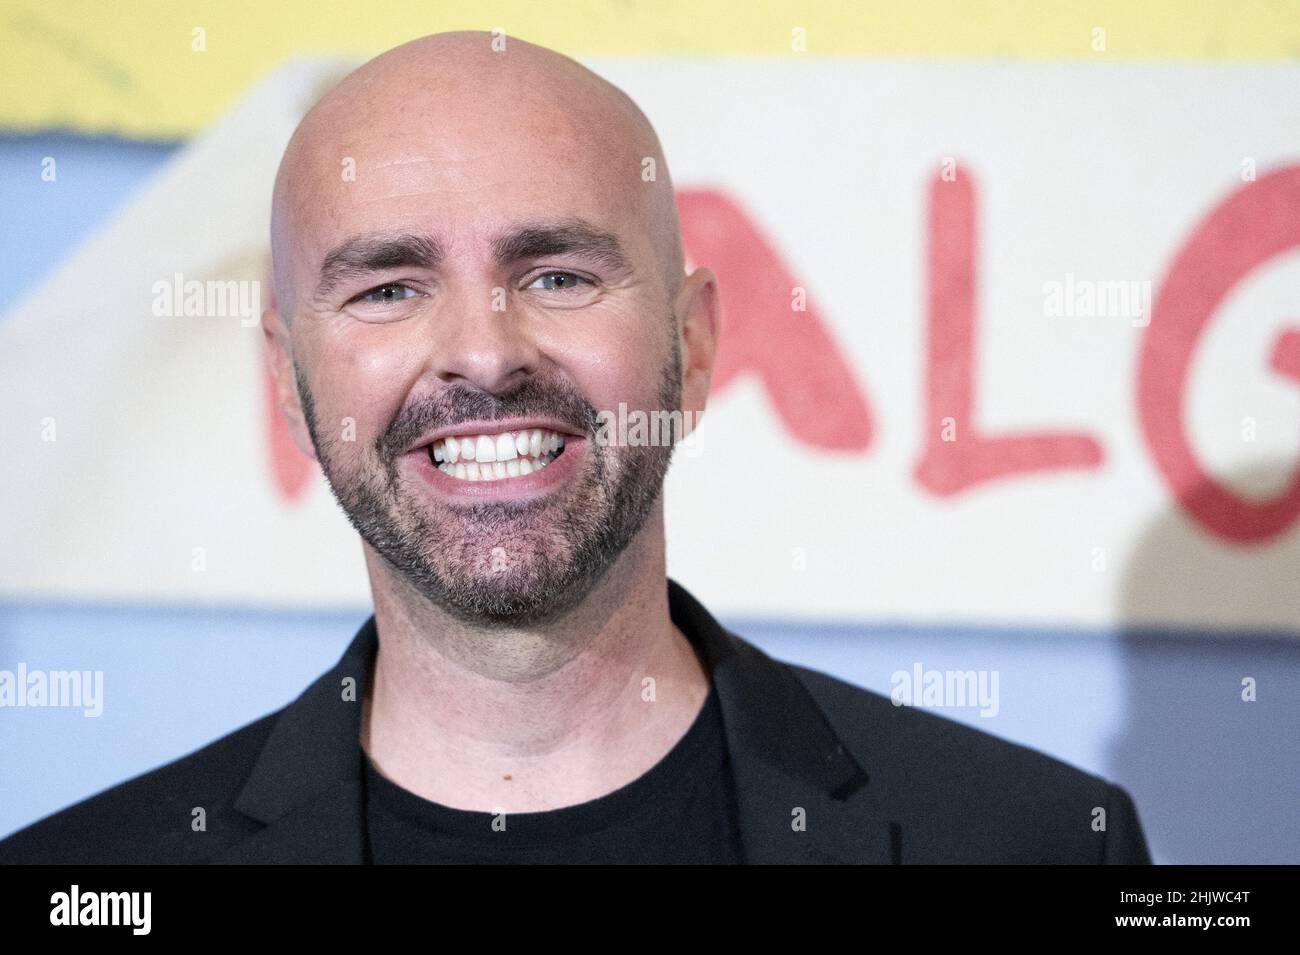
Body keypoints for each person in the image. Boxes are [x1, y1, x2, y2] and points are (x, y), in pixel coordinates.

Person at [0, 30, 1152, 864]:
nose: (484, 354)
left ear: (692, 349)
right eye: (390, 287)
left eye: (556, 274)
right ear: (288, 386)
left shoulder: (1034, 843)